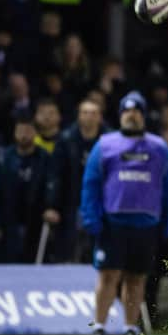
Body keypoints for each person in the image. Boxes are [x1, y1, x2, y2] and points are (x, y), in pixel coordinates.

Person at [81, 91, 168, 335]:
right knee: (108, 275)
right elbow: (91, 183)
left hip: (146, 223)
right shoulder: (105, 145)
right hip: (112, 222)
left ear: (144, 116)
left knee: (137, 277)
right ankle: (99, 326)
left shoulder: (159, 147)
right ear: (120, 115)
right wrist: (91, 217)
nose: (131, 115)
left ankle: (129, 326)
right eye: (127, 111)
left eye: (136, 111)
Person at [44, 98, 108, 262]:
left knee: (98, 251)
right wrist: (52, 205)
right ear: (79, 116)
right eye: (85, 113)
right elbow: (55, 174)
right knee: (68, 250)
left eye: (93, 113)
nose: (89, 117)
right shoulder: (65, 140)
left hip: (101, 203)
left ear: (100, 117)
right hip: (71, 202)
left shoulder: (110, 142)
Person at [0, 115, 50, 262]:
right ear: (14, 133)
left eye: (27, 131)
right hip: (8, 223)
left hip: (35, 223)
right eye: (20, 131)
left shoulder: (44, 158)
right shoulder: (4, 158)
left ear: (35, 133)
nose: (23, 135)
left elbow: (51, 188)